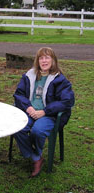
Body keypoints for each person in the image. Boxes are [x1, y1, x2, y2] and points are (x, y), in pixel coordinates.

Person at [13, 47, 75, 177]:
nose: (44, 61)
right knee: (18, 127)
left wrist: (45, 111)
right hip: (30, 112)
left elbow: (67, 101)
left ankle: (34, 155)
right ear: (37, 60)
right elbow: (18, 94)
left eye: (47, 57)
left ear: (53, 60)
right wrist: (28, 107)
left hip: (48, 115)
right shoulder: (29, 75)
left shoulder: (59, 80)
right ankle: (35, 157)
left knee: (38, 131)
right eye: (41, 58)